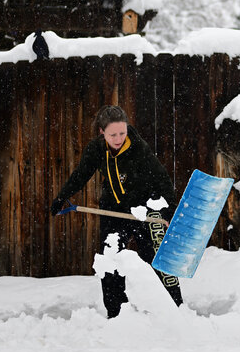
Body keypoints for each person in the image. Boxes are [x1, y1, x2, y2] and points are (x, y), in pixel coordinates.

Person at [50, 105, 183, 318]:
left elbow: (162, 179)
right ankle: (118, 315)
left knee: (155, 258)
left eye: (122, 132)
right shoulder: (97, 150)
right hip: (114, 211)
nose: (119, 138)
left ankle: (176, 309)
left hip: (143, 210)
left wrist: (169, 211)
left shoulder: (139, 148)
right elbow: (81, 175)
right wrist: (61, 197)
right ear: (102, 132)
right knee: (110, 260)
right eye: (113, 134)